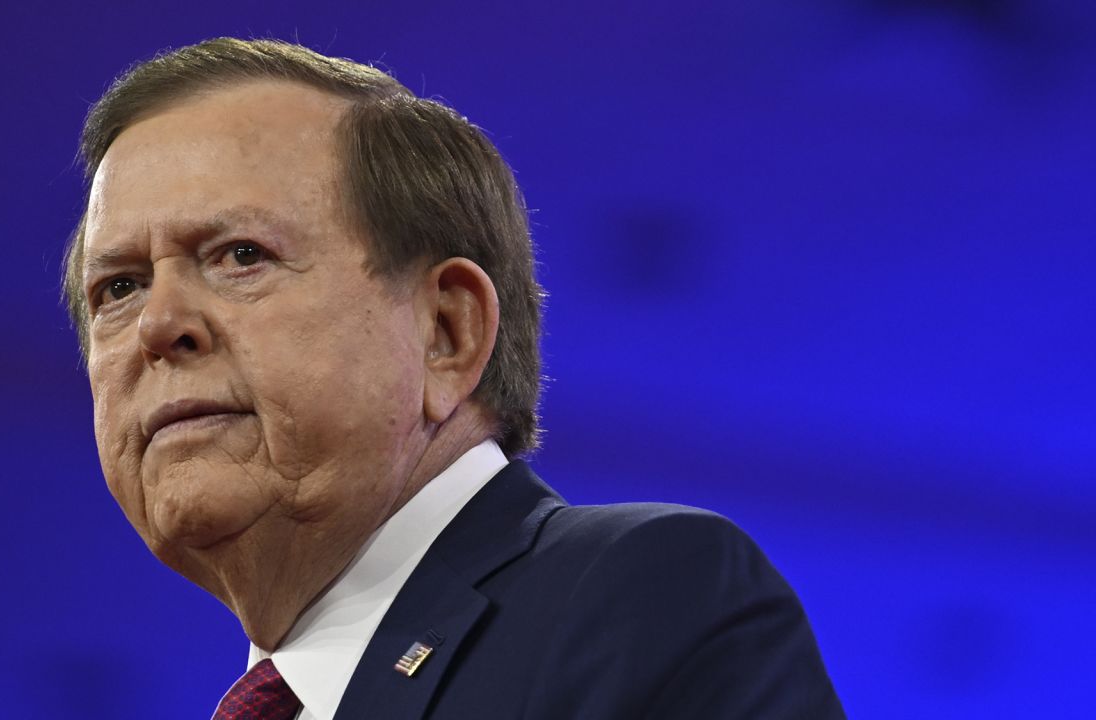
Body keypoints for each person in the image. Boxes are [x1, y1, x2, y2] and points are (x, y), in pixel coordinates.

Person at [62, 37, 845, 719]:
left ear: (446, 333)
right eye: (118, 288)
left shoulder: (638, 598)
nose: (160, 326)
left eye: (239, 256)